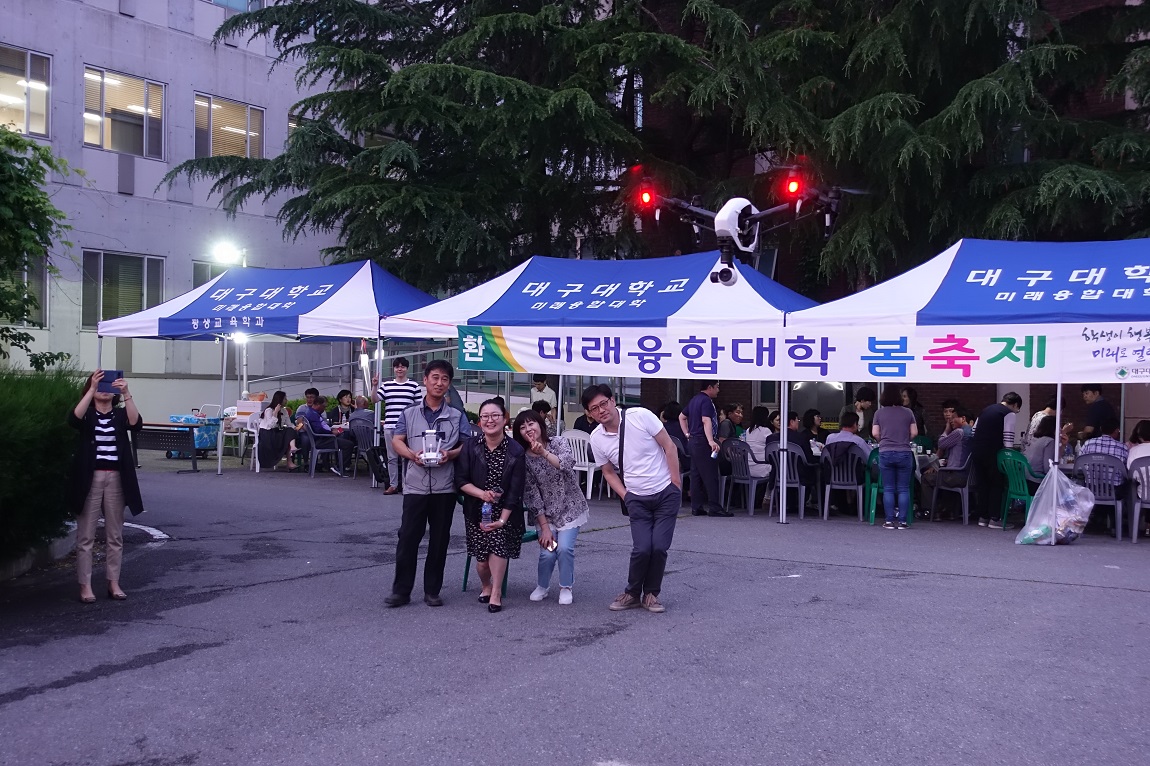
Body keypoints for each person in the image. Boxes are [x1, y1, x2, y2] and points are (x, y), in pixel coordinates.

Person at [584, 384, 681, 614]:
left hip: (665, 492)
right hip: (636, 498)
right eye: (594, 408)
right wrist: (626, 495)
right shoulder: (596, 438)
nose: (601, 410)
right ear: (589, 413)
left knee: (659, 547)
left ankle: (651, 594)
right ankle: (632, 593)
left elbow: (669, 446)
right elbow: (608, 471)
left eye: (603, 403)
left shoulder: (640, 416)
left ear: (612, 400)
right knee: (642, 549)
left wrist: (675, 483)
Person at [385, 360, 472, 608]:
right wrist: (412, 455)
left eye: (444, 379)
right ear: (425, 380)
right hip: (415, 485)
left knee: (439, 540)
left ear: (449, 383)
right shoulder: (409, 413)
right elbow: (397, 440)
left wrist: (450, 454)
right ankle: (401, 591)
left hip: (444, 487)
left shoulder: (456, 415)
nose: (439, 383)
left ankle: (432, 590)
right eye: (435, 377)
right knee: (407, 538)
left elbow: (466, 444)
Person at [68, 370, 143, 603]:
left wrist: (127, 392)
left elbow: (135, 424)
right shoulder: (88, 415)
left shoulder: (119, 415)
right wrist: (92, 388)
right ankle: (85, 585)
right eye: (101, 385)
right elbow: (73, 419)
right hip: (90, 478)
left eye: (108, 386)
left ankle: (113, 582)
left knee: (115, 535)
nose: (104, 390)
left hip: (116, 478)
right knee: (86, 536)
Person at [456, 399, 526, 613]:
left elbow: (515, 492)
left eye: (495, 415)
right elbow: (460, 480)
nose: (490, 420)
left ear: (504, 419)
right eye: (485, 416)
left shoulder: (516, 450)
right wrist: (482, 495)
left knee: (497, 542)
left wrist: (502, 520)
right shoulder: (470, 446)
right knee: (482, 561)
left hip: (506, 512)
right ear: (480, 421)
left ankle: (496, 592)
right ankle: (485, 585)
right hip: (476, 511)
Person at [513, 409, 589, 605]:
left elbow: (566, 464)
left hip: (570, 508)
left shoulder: (558, 442)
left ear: (540, 424)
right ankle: (543, 585)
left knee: (564, 548)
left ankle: (566, 587)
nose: (528, 429)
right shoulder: (524, 459)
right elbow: (531, 494)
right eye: (522, 427)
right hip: (546, 516)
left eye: (531, 423)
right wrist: (545, 527)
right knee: (548, 552)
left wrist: (544, 453)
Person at [971, 391, 1023, 528]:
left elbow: (973, 431)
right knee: (996, 484)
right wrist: (1009, 456)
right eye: (1017, 409)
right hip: (994, 452)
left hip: (977, 450)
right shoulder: (1008, 413)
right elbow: (1008, 437)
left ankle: (983, 517)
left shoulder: (985, 410)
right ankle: (995, 518)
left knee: (982, 484)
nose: (1016, 412)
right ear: (1015, 405)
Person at [372, 357, 422, 495]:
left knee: (407, 457)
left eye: (402, 366)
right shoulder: (387, 385)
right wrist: (374, 386)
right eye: (397, 367)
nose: (400, 369)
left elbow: (419, 407)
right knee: (392, 458)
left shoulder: (414, 386)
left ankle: (407, 485)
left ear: (407, 369)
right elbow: (375, 399)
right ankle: (393, 485)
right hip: (390, 426)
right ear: (394, 369)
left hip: (407, 427)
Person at [680, 380, 729, 517]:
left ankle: (696, 507)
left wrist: (687, 434)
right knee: (711, 475)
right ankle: (714, 507)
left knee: (696, 475)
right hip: (703, 441)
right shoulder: (706, 401)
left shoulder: (694, 400)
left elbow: (681, 417)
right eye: (717, 387)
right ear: (710, 387)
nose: (718, 390)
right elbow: (706, 420)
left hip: (693, 440)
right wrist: (711, 440)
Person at [872, 385, 918, 529]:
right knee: (903, 488)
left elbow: (875, 433)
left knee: (888, 488)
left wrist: (883, 441)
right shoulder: (908, 412)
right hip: (904, 452)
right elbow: (914, 432)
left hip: (886, 452)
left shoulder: (879, 413)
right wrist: (904, 439)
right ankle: (903, 522)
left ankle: (889, 521)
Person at [920, 408, 973, 520]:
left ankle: (932, 511)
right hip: (970, 476)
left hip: (957, 476)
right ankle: (950, 511)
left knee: (926, 478)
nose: (951, 421)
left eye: (953, 418)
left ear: (963, 419)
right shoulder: (972, 432)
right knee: (942, 473)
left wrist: (947, 429)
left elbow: (941, 444)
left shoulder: (959, 432)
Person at [300, 396, 356, 476]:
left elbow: (321, 427)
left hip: (323, 438)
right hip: (322, 440)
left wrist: (332, 430)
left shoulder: (312, 412)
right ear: (318, 404)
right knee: (349, 444)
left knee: (342, 436)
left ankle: (339, 466)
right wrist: (331, 432)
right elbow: (318, 430)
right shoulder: (313, 415)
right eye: (324, 406)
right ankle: (340, 468)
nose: (324, 409)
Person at [258, 390, 298, 470]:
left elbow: (289, 424)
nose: (286, 400)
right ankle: (289, 460)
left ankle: (292, 448)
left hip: (276, 431)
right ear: (280, 399)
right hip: (267, 433)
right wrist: (275, 412)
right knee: (287, 435)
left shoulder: (284, 410)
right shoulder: (269, 410)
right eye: (285, 399)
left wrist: (296, 428)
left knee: (290, 431)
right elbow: (271, 425)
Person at [740, 406, 773, 480]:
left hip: (748, 469)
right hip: (762, 468)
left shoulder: (748, 430)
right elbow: (772, 449)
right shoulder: (766, 431)